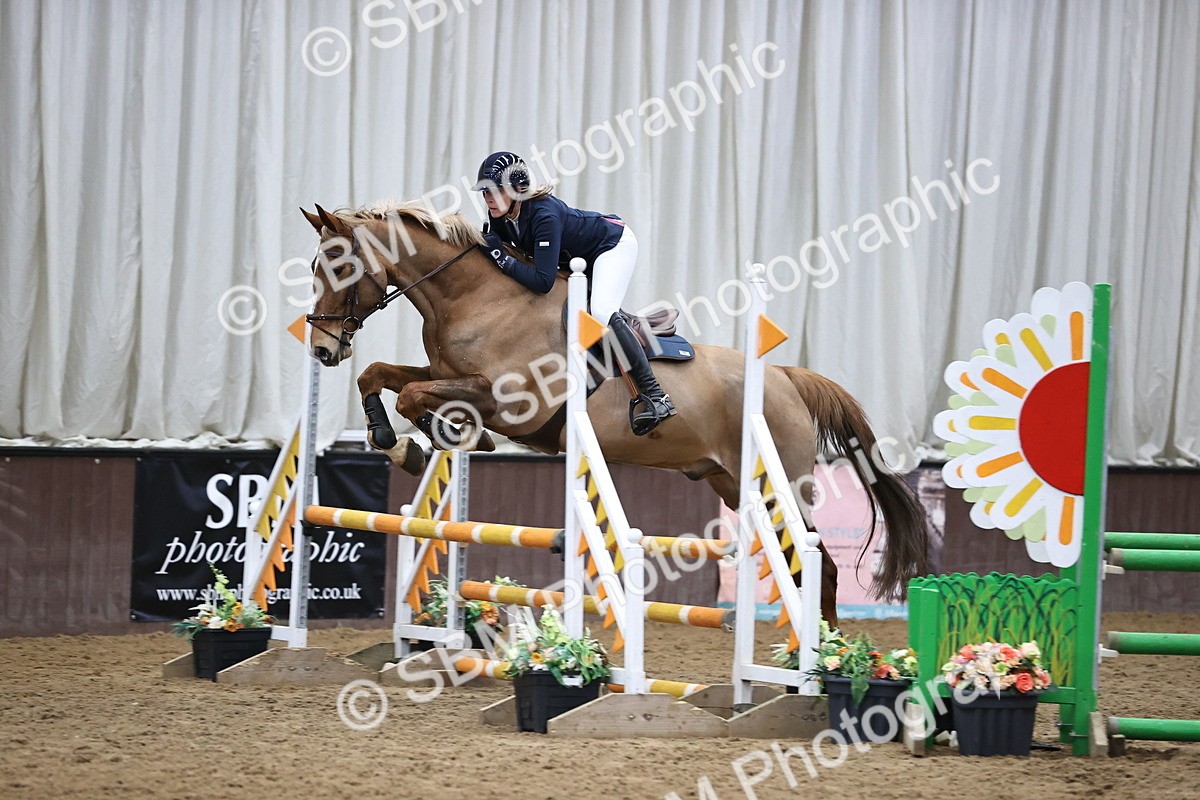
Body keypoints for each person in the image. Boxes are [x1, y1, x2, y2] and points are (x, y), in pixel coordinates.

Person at [472, 151, 676, 436]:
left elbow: (542, 281)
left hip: (611, 245)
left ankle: (657, 396)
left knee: (603, 311)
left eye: (495, 190)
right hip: (577, 260)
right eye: (484, 192)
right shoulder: (501, 217)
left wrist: (499, 257)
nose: (489, 198)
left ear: (518, 189)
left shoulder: (544, 215)